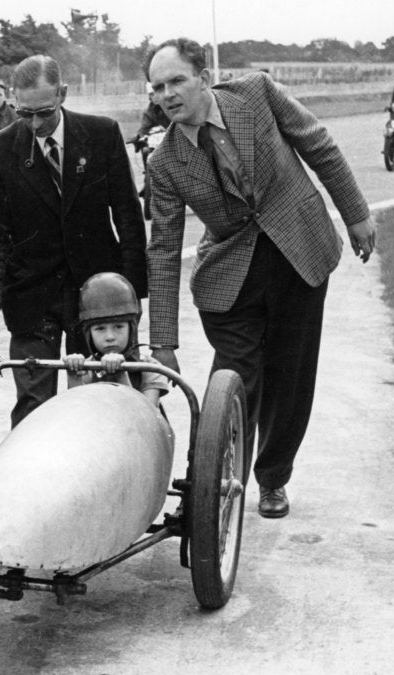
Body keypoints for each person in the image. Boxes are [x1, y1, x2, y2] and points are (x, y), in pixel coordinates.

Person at [145, 37, 376, 519]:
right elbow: (164, 249)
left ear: (203, 78)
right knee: (233, 380)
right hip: (230, 278)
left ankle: (273, 478)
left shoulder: (256, 93)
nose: (166, 95)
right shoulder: (163, 163)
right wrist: (162, 341)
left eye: (176, 81)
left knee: (290, 378)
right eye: (157, 87)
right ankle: (211, 485)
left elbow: (319, 145)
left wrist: (355, 214)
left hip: (300, 253)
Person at [0, 54, 147, 427]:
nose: (35, 124)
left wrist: (130, 294)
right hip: (32, 296)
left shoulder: (102, 134)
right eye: (24, 114)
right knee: (34, 409)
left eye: (44, 112)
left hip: (99, 295)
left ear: (63, 94)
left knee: (108, 399)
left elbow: (128, 216)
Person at [63, 272, 169, 407]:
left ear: (132, 329)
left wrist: (120, 374)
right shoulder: (87, 368)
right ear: (88, 334)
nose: (110, 337)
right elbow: (78, 414)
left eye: (118, 327)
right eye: (100, 329)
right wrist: (74, 376)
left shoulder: (150, 367)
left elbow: (146, 416)